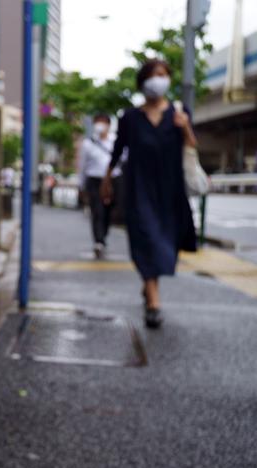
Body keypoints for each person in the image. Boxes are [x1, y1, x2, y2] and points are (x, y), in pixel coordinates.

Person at [100, 59, 198, 329]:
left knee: (166, 240)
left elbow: (192, 145)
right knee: (145, 237)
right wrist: (107, 179)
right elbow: (119, 149)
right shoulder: (130, 117)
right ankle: (153, 300)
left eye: (164, 75)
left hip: (170, 188)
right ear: (143, 81)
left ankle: (149, 284)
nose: (160, 79)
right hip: (139, 186)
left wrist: (185, 126)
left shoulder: (179, 112)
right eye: (155, 75)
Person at [78, 113, 119, 258]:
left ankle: (103, 235)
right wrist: (81, 185)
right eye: (98, 122)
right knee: (97, 210)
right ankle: (98, 240)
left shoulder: (115, 141)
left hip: (113, 180)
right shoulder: (88, 143)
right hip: (94, 180)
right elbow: (82, 165)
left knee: (109, 211)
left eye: (103, 122)